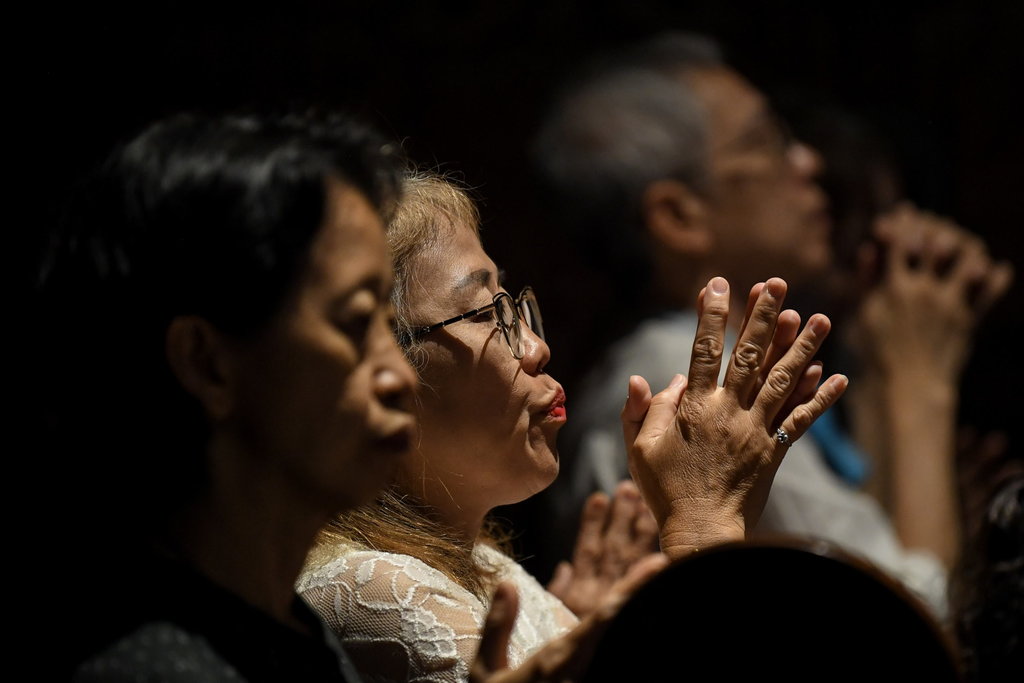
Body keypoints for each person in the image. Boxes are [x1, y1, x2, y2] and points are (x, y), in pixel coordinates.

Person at [531, 31, 1011, 619]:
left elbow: (872, 545)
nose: (807, 161)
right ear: (680, 216)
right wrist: (920, 380)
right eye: (764, 143)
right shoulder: (678, 372)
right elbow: (912, 620)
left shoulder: (733, 352)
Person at [298, 171, 848, 681]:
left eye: (510, 304)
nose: (537, 347)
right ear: (376, 371)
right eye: (485, 315)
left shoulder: (488, 567)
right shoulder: (372, 590)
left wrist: (591, 636)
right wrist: (703, 524)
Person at [37, 111, 420, 681]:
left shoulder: (287, 627)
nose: (401, 377)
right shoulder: (151, 666)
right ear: (206, 363)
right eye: (357, 321)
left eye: (393, 324)